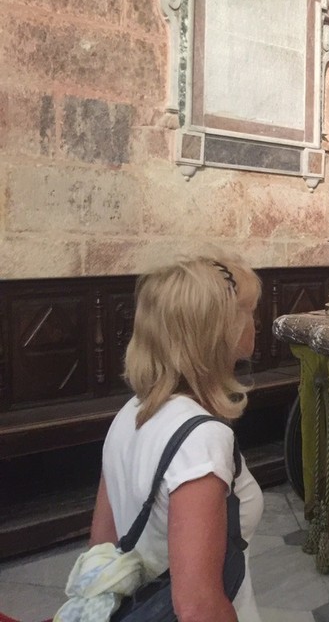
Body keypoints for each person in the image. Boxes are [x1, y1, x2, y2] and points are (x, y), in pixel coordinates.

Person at [88, 253, 264, 621]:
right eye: (249, 310)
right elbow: (198, 607)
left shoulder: (131, 412)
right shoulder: (202, 439)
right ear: (220, 330)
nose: (255, 322)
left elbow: (102, 548)